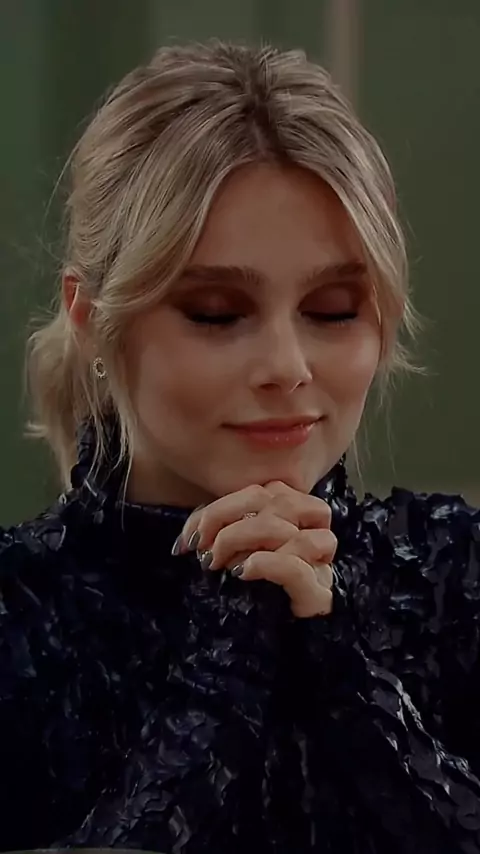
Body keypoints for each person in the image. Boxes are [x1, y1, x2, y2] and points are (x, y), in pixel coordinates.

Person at [0, 40, 479, 854]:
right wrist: (228, 670)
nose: (288, 367)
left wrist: (342, 672)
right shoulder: (21, 618)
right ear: (89, 319)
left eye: (332, 309)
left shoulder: (451, 577)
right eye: (217, 313)